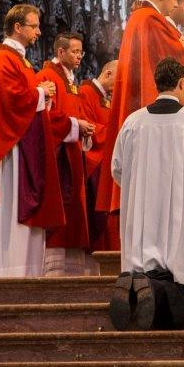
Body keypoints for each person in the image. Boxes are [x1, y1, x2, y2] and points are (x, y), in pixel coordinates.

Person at [110, 57, 184, 330]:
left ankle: (141, 281)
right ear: (183, 83)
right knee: (183, 280)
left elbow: (117, 169)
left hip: (142, 209)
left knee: (145, 264)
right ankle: (160, 289)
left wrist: (141, 192)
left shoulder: (133, 121)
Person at [0, 4, 65, 276]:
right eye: (34, 26)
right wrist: (40, 91)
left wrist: (42, 93)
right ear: (18, 27)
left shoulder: (20, 60)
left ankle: (25, 268)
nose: (39, 32)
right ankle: (10, 267)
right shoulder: (4, 58)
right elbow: (12, 99)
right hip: (12, 150)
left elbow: (26, 97)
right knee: (11, 204)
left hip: (23, 144)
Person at [96, 0, 184, 213]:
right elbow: (162, 59)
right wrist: (183, 50)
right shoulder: (149, 19)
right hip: (145, 105)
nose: (175, 4)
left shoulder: (141, 17)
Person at [36, 33, 97, 277]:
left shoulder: (70, 81)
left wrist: (84, 129)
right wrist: (76, 125)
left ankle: (70, 271)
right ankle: (53, 270)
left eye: (81, 52)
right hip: (58, 158)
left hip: (73, 155)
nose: (79, 56)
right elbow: (46, 119)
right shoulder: (47, 77)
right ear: (61, 53)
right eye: (74, 52)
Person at [79, 60, 119, 251]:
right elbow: (87, 127)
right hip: (94, 165)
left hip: (107, 164)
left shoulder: (106, 97)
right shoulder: (87, 92)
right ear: (108, 74)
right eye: (118, 81)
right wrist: (116, 134)